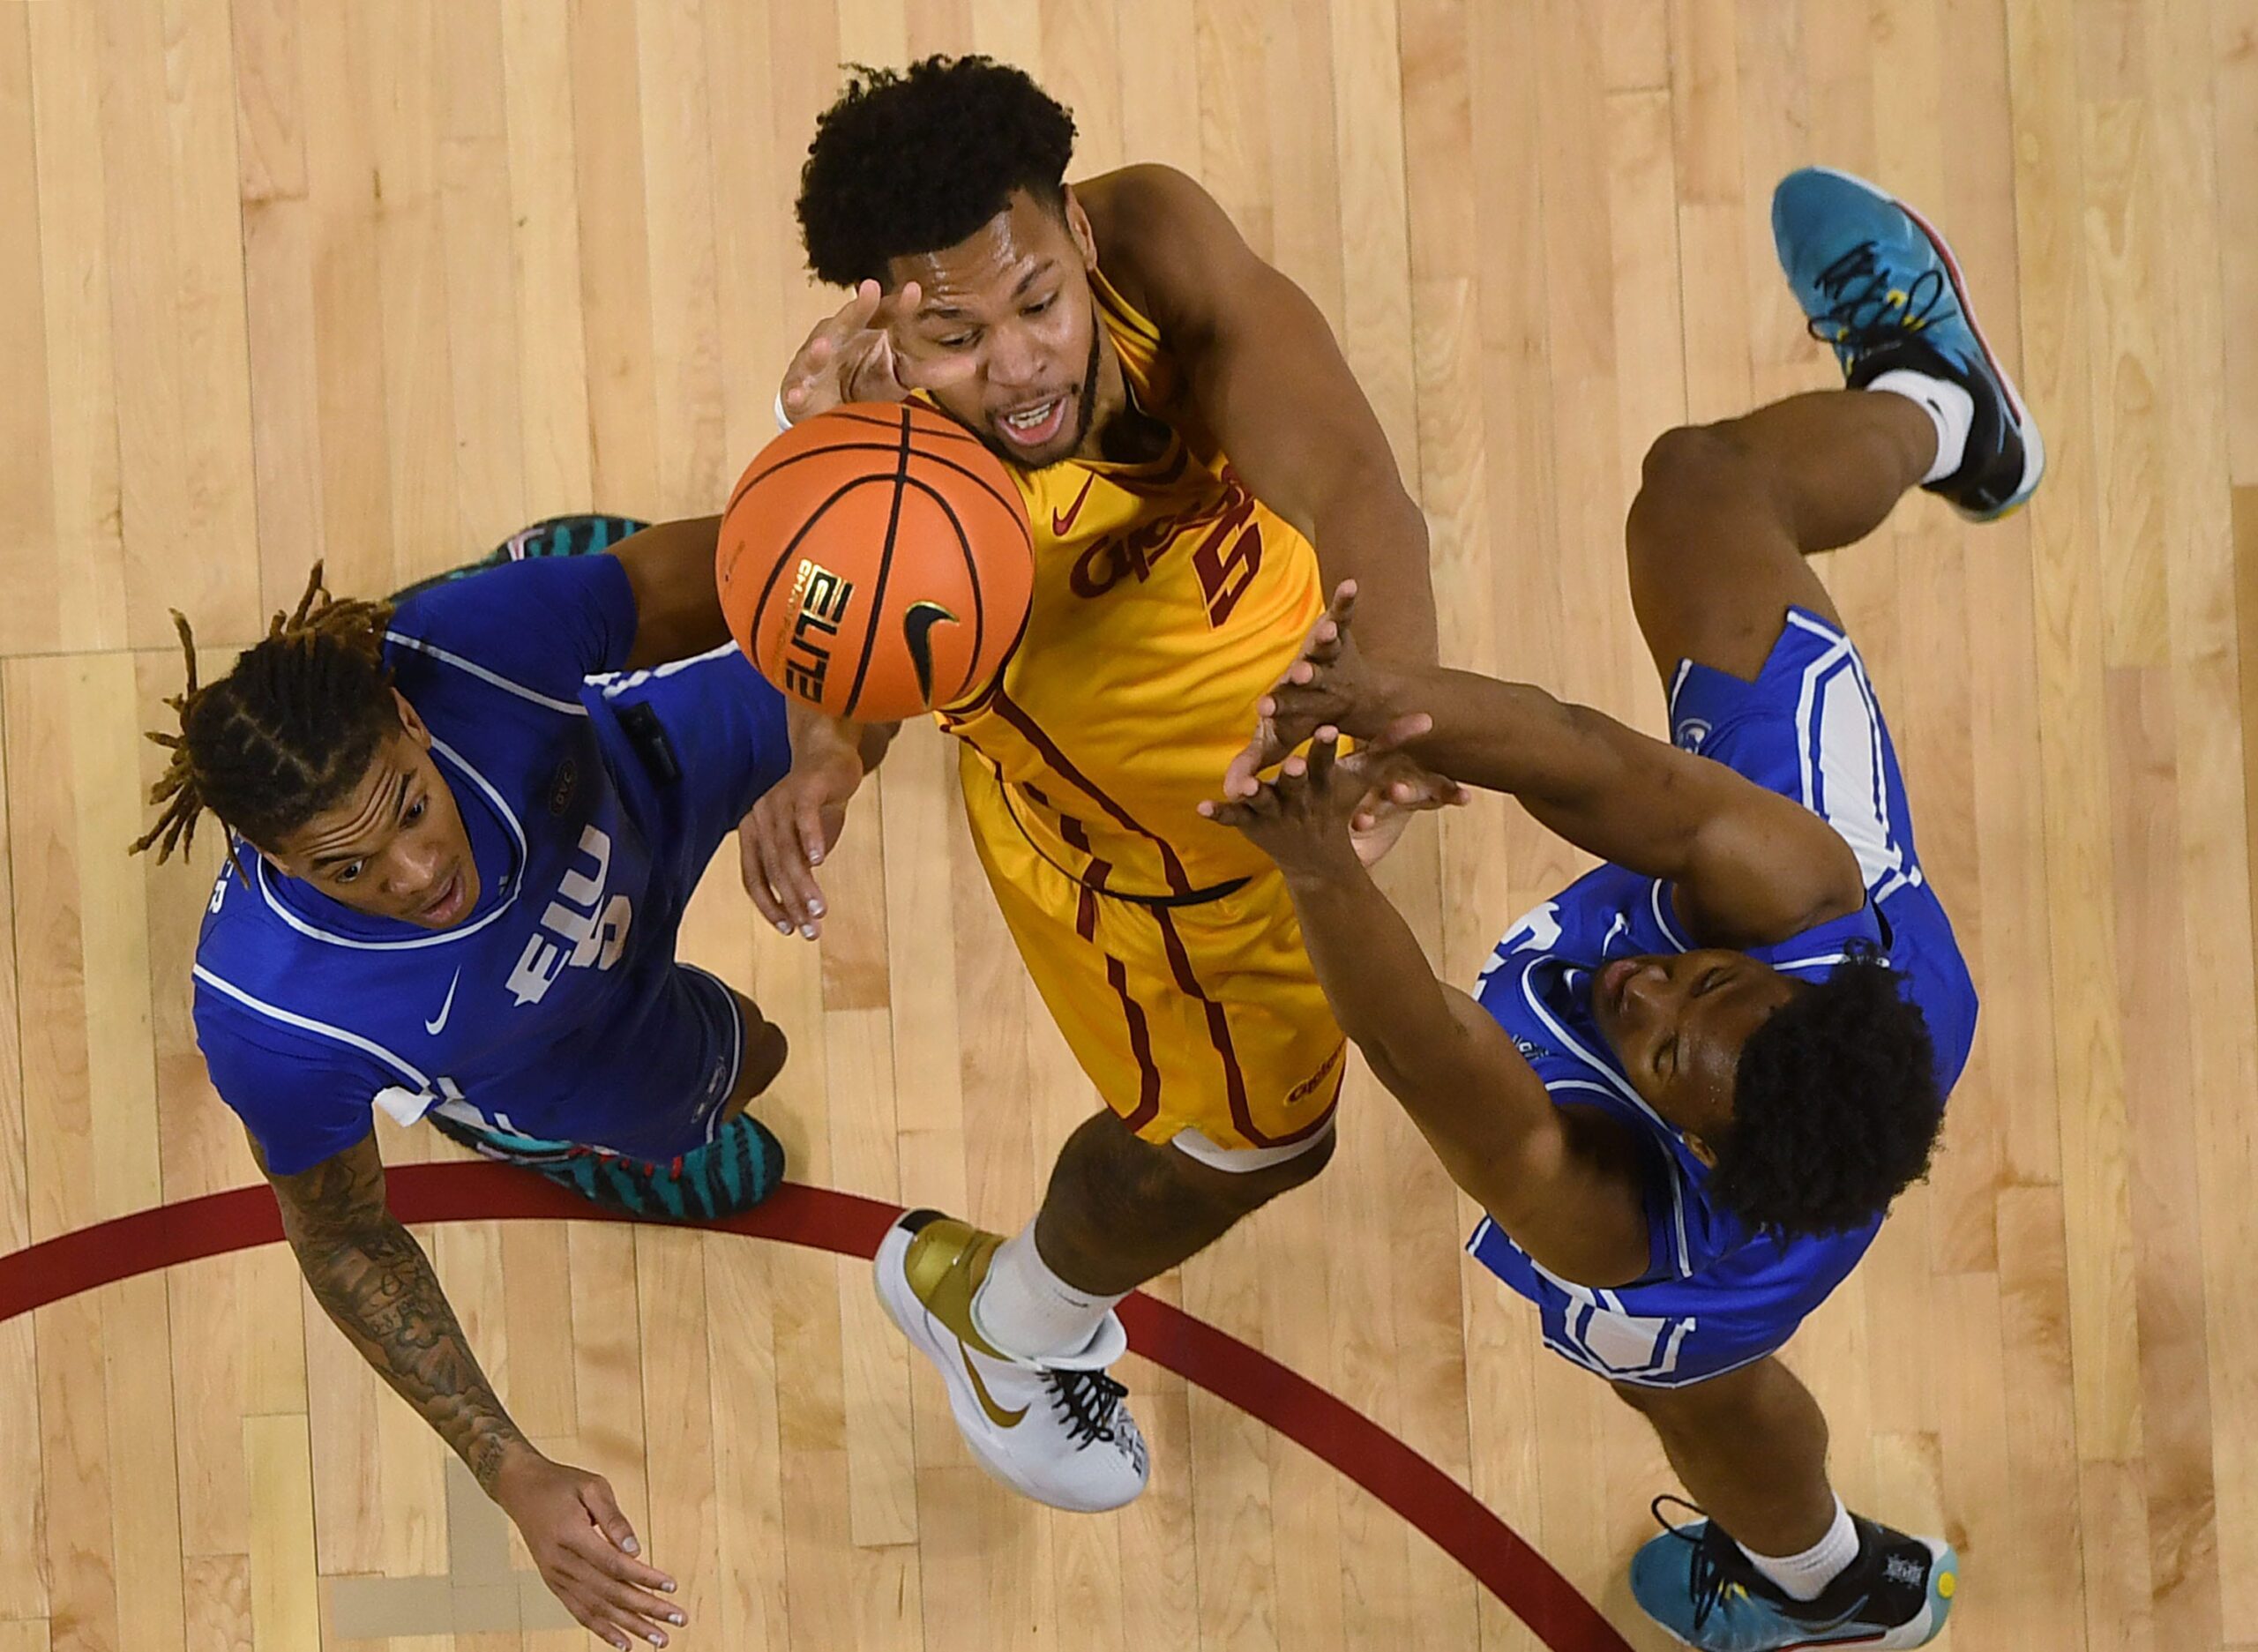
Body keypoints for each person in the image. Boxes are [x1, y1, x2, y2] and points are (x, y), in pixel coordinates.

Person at [1202, 168, 2040, 1649]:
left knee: (1692, 1380)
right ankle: (1948, 406)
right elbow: (1590, 761)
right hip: (1863, 994)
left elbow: (1429, 1052)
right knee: (1701, 488)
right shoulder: (1799, 899)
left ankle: (1826, 1587)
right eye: (1700, 980)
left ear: (1689, 1133)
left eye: (1658, 1042)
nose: (1641, 988)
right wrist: (1379, 702)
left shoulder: (1623, 1216)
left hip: (1705, 1259)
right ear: (1788, 974)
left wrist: (1319, 860)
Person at [741, 55, 1446, 1511]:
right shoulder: (889, 462)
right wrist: (824, 747)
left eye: (1039, 302)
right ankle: (1010, 1320)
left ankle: (1013, 1314)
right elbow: (868, 639)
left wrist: (1387, 712)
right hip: (1174, 878)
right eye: (953, 334)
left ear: (1076, 228)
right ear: (881, 319)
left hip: (1269, 748)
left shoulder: (1162, 242)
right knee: (1264, 1138)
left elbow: (1360, 484)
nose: (1019, 366)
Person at [134, 516, 799, 1651]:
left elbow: (771, 564)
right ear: (270, 855)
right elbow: (343, 1237)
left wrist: (830, 702)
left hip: (639, 773)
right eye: (347, 868)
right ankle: (503, 1123)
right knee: (752, 1057)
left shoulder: (469, 654)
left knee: (838, 677)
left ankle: (554, 574)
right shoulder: (274, 1021)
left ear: (407, 720)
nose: (419, 871)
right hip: (557, 1041)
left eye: (407, 807)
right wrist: (509, 1466)